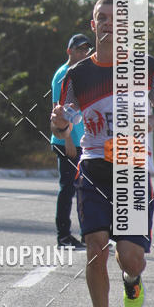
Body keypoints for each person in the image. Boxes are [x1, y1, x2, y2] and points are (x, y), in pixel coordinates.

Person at [50, 0, 154, 307]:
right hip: (92, 167)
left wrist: (151, 120)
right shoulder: (76, 75)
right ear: (93, 25)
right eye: (101, 18)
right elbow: (63, 123)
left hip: (133, 167)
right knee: (95, 247)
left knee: (129, 256)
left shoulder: (144, 66)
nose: (108, 23)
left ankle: (132, 279)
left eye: (115, 19)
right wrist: (60, 123)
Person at [51, 34, 92, 249]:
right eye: (79, 49)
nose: (83, 53)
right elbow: (60, 112)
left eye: (86, 49)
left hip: (81, 142)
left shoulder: (80, 73)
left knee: (82, 190)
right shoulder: (64, 74)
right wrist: (67, 139)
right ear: (69, 51)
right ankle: (64, 237)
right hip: (66, 142)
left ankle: (88, 235)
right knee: (67, 190)